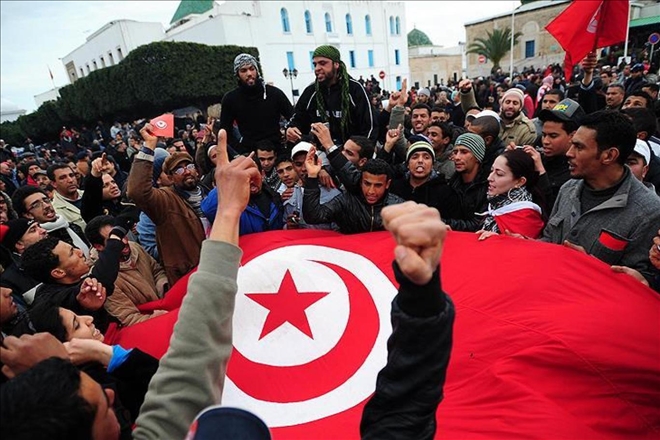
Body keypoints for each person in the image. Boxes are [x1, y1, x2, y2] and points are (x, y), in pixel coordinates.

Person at [540, 110, 660, 283]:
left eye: (579, 147)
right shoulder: (568, 189)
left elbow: (639, 284)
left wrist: (589, 265)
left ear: (609, 155)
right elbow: (549, 238)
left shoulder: (649, 211)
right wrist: (526, 244)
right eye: (572, 144)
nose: (569, 153)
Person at [127, 125, 209, 285]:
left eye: (189, 166)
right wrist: (149, 146)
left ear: (197, 171)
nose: (186, 171)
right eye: (178, 170)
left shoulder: (210, 192)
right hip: (190, 278)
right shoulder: (165, 201)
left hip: (219, 266)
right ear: (170, 178)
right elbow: (137, 192)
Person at [85, 215, 169, 326]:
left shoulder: (135, 247)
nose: (124, 241)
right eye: (115, 240)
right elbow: (129, 318)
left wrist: (165, 289)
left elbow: (157, 271)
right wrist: (160, 317)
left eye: (123, 235)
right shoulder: (101, 280)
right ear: (99, 246)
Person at [286, 45, 377, 146]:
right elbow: (297, 118)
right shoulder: (311, 91)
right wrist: (291, 129)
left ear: (336, 64)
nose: (317, 68)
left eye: (322, 63)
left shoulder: (355, 89)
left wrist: (361, 153)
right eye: (315, 64)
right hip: (320, 152)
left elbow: (370, 127)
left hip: (351, 153)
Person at [303, 153, 404, 233]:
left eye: (378, 185)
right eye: (367, 184)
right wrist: (312, 177)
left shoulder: (398, 206)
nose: (371, 191)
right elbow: (313, 216)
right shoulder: (346, 201)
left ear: (387, 184)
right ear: (361, 181)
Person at [220, 53, 294, 154]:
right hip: (250, 154)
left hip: (277, 151)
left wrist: (288, 134)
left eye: (252, 68)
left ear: (257, 70)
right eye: (243, 70)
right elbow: (225, 131)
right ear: (237, 74)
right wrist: (241, 150)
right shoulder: (230, 99)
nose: (249, 73)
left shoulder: (274, 93)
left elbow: (294, 117)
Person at [476, 149, 546, 240]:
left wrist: (498, 241)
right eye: (491, 171)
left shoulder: (526, 216)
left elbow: (524, 251)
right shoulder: (495, 201)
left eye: (499, 174)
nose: (490, 178)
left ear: (520, 181)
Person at [48, 163, 86, 230]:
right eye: (63, 178)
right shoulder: (56, 211)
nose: (70, 180)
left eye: (71, 175)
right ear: (54, 184)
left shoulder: (88, 194)